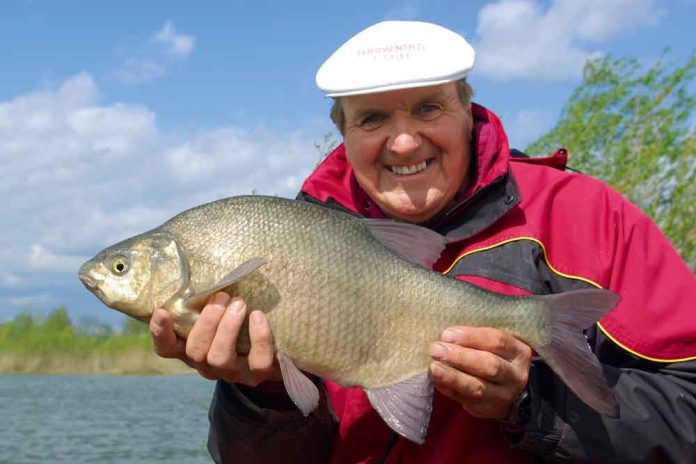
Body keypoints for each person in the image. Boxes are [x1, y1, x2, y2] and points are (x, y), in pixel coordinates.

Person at [149, 21, 696, 463]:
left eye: (429, 108)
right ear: (344, 131)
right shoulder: (301, 234)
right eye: (373, 118)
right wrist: (259, 393)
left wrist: (533, 402)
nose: (404, 140)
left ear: (468, 109)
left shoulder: (587, 214)